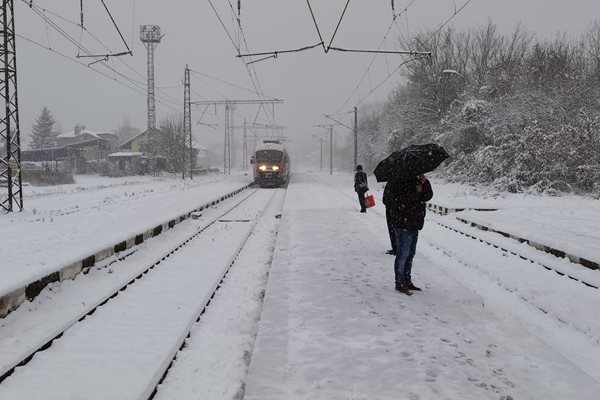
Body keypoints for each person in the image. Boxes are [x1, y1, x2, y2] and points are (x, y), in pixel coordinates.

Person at [383, 174, 433, 295]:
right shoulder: (395, 181)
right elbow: (389, 200)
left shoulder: (418, 181)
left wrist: (425, 184)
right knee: (403, 254)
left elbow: (427, 196)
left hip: (414, 222)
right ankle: (399, 282)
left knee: (410, 254)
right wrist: (415, 193)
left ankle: (407, 280)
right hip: (402, 223)